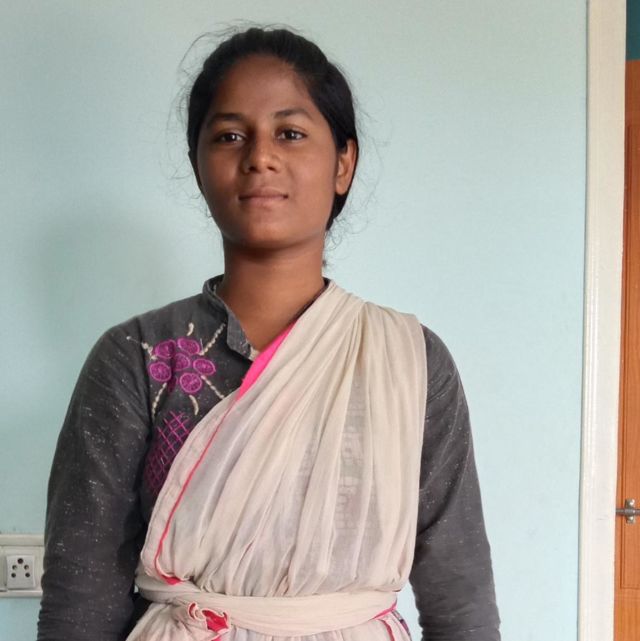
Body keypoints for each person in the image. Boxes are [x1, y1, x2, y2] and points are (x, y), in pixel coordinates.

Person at [37, 26, 500, 641]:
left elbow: (460, 596)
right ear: (198, 165)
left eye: (290, 133)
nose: (260, 156)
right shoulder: (137, 357)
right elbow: (81, 598)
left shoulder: (408, 361)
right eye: (230, 135)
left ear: (343, 163)